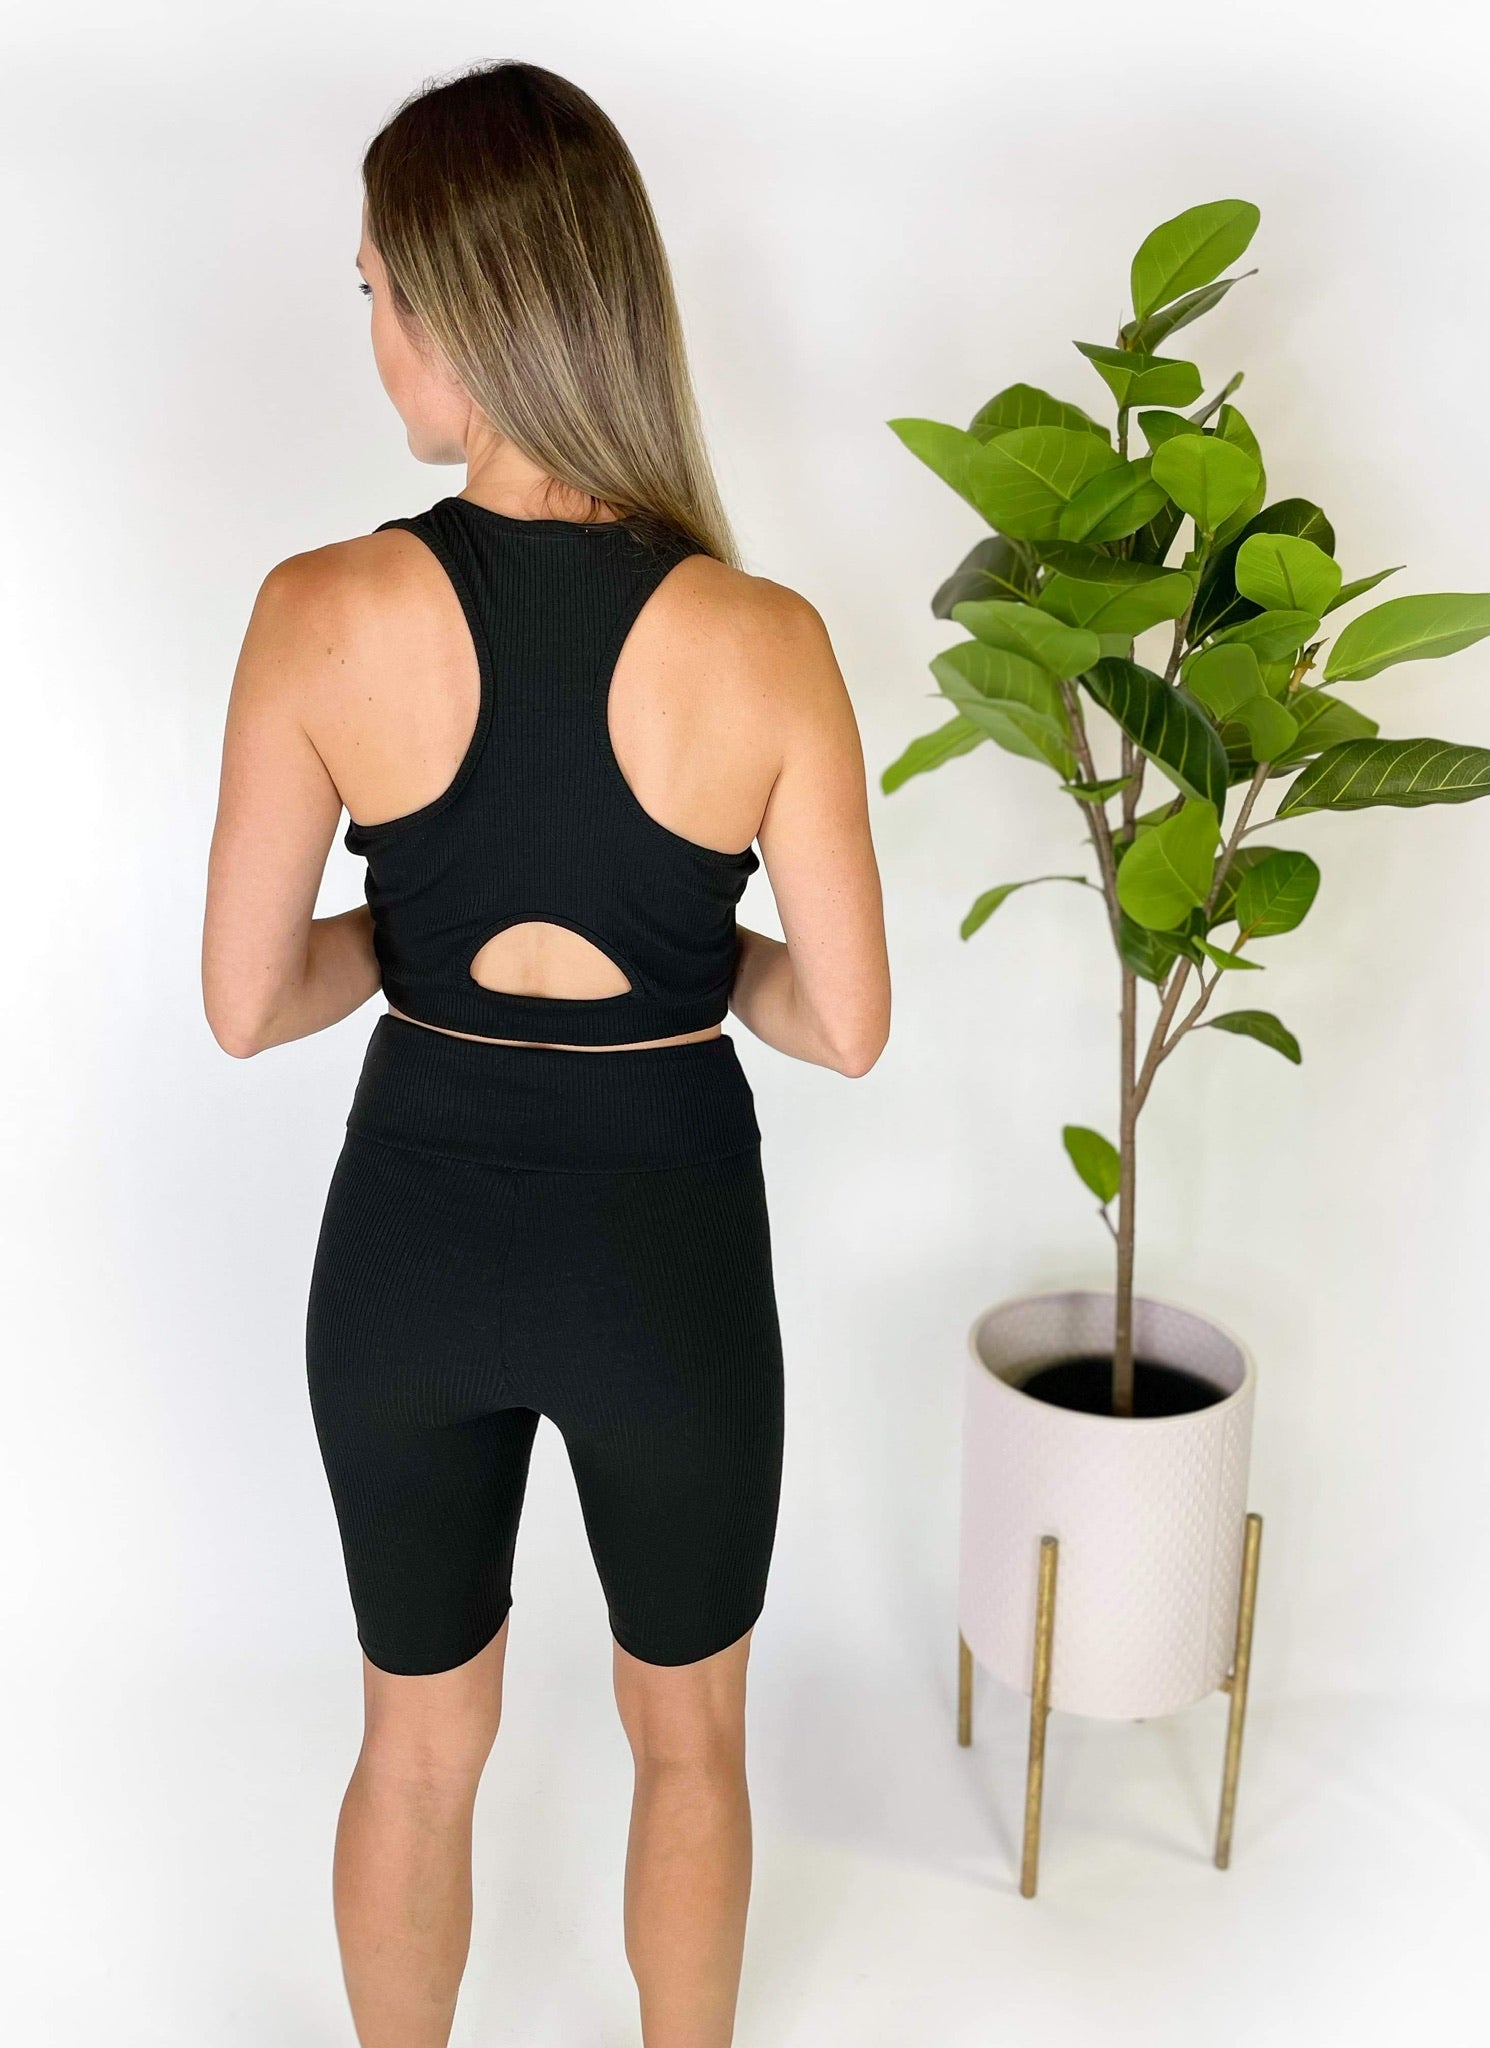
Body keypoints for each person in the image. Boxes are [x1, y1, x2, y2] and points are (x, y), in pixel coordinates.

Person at [201, 59, 889, 2048]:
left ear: (466, 304)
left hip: (409, 1242)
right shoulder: (767, 639)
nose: (373, 329)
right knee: (692, 1741)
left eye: (377, 288)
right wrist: (677, 959)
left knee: (417, 1748)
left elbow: (250, 1001)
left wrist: (420, 940)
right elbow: (845, 1022)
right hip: (667, 1247)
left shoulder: (315, 612)